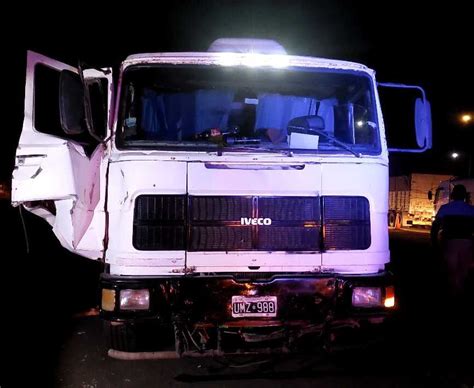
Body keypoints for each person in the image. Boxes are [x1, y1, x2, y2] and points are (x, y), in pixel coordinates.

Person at [431, 184, 474, 298]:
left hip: (450, 243)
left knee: (451, 270)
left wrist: (434, 243)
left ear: (453, 195)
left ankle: (453, 294)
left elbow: (435, 227)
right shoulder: (471, 210)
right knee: (463, 271)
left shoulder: (445, 209)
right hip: (467, 244)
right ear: (465, 196)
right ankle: (460, 292)